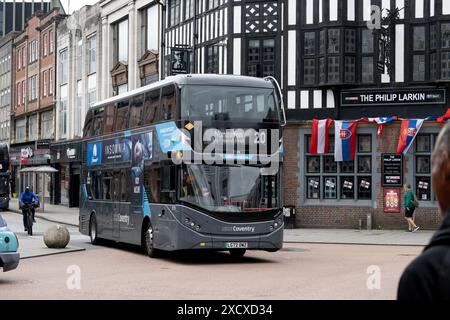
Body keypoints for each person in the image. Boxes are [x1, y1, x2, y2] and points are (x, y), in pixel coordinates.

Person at [398, 122, 450, 300]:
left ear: (445, 166)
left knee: (409, 218)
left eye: (434, 162)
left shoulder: (425, 275)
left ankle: (414, 227)